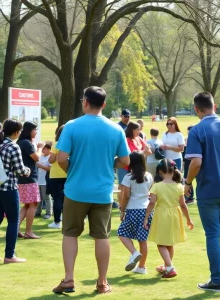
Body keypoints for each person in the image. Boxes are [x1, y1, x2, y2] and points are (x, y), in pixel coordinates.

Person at [53, 86, 130, 294]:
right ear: (104, 104)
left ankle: (68, 279)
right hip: (102, 192)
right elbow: (125, 160)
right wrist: (108, 165)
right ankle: (102, 282)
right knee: (102, 236)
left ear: (85, 102)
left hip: (75, 190)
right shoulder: (116, 129)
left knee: (70, 234)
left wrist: (72, 170)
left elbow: (61, 158)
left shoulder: (71, 126)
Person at [184, 92, 220, 292]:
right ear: (213, 105)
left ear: (197, 108)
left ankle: (216, 280)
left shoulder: (197, 130)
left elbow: (196, 162)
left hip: (209, 190)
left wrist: (187, 182)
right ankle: (216, 280)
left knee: (212, 234)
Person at [0, 119, 30, 264]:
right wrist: (28, 171)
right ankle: (10, 255)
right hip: (7, 187)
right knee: (13, 220)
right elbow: (20, 170)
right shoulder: (13, 147)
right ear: (16, 132)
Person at [144, 159, 193, 278]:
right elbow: (183, 205)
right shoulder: (179, 186)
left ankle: (170, 267)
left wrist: (146, 217)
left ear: (160, 171)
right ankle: (167, 266)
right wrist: (188, 219)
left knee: (161, 243)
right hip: (175, 215)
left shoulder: (156, 186)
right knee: (169, 243)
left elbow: (152, 203)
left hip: (161, 215)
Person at [117, 152, 153, 275]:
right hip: (146, 210)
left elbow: (125, 196)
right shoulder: (149, 176)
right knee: (143, 240)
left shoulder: (128, 177)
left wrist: (122, 210)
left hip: (133, 209)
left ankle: (134, 252)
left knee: (122, 233)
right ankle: (142, 267)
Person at [17, 122, 43, 239]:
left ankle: (15, 228)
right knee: (33, 204)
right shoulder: (26, 143)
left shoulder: (21, 142)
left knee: (27, 204)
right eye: (35, 130)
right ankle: (28, 232)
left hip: (22, 177)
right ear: (29, 131)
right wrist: (40, 148)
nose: (36, 132)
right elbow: (36, 158)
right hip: (29, 177)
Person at [47, 125, 66, 229]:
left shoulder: (57, 144)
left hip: (55, 175)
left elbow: (51, 160)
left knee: (57, 199)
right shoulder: (71, 144)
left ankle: (57, 222)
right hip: (68, 173)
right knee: (67, 198)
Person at [35, 143, 52, 219]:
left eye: (44, 149)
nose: (43, 150)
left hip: (45, 181)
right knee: (38, 198)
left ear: (49, 149)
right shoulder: (40, 156)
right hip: (38, 180)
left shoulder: (50, 158)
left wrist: (40, 166)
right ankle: (38, 212)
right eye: (43, 149)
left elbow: (49, 169)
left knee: (47, 198)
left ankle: (49, 213)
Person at [182, 125, 195, 205]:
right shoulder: (185, 140)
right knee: (187, 180)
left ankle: (191, 197)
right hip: (187, 162)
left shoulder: (196, 139)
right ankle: (189, 197)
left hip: (194, 162)